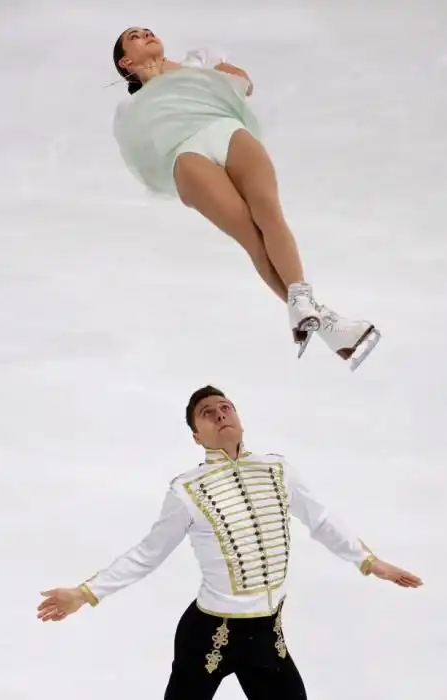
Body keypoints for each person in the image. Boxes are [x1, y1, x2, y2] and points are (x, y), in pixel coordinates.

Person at [37, 385, 422, 700]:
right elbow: (147, 554)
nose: (220, 415)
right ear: (196, 436)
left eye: (226, 408)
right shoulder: (187, 490)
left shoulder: (277, 469)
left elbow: (320, 521)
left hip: (266, 636)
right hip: (208, 636)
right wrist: (85, 593)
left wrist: (370, 562)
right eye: (208, 413)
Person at [108, 26, 381, 371]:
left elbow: (244, 84)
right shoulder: (129, 108)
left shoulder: (198, 61)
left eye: (148, 31)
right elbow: (142, 152)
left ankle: (321, 321)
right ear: (125, 62)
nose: (146, 35)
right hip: (186, 154)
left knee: (269, 213)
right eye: (135, 36)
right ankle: (325, 322)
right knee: (251, 236)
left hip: (226, 130)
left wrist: (200, 72)